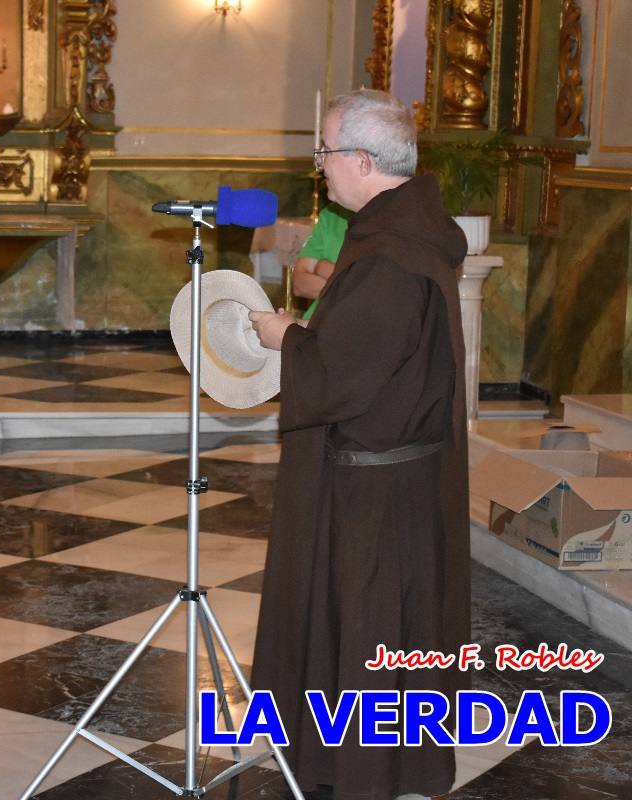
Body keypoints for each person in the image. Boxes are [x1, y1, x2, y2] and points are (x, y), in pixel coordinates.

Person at [248, 90, 470, 800]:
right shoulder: (401, 236)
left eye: (326, 152)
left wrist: (287, 336)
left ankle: (359, 773)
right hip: (396, 477)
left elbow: (342, 378)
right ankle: (384, 764)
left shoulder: (389, 259)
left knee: (368, 628)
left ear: (364, 161)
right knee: (392, 631)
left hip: (370, 492)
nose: (321, 167)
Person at [292, 202, 351, 321]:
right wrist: (348, 285)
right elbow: (299, 284)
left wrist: (324, 269)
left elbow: (376, 293)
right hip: (315, 323)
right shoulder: (332, 213)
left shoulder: (390, 218)